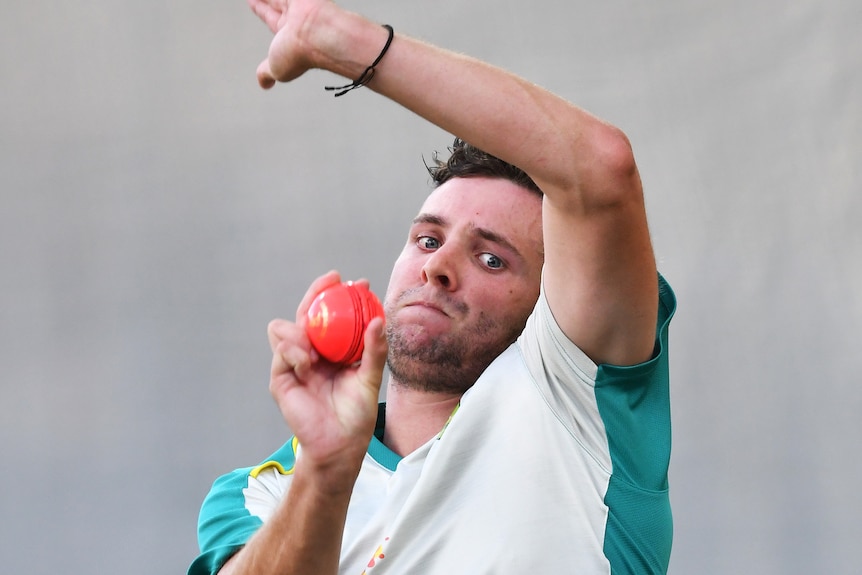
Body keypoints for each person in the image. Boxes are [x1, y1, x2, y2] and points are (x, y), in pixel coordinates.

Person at [189, 0, 677, 573]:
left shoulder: (579, 404)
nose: (437, 267)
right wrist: (325, 471)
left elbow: (600, 166)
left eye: (492, 259)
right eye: (427, 239)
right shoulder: (263, 493)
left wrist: (343, 43)